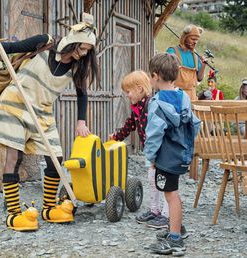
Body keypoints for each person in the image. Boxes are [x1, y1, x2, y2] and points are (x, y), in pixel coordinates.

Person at [0, 21, 98, 231]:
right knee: (14, 155)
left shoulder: (76, 67)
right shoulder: (44, 43)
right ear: (73, 42)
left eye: (87, 51)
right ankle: (13, 214)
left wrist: (81, 121)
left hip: (42, 111)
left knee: (56, 157)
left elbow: (82, 94)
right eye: (82, 48)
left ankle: (48, 208)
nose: (83, 54)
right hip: (17, 102)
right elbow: (10, 49)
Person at [144, 53, 200, 255]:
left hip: (167, 157)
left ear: (155, 76)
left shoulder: (157, 103)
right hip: (182, 154)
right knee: (173, 192)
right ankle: (177, 228)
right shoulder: (183, 97)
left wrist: (151, 157)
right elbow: (195, 124)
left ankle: (175, 238)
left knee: (171, 195)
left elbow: (153, 135)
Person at [109, 70, 169, 229]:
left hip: (162, 150)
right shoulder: (136, 107)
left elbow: (160, 129)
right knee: (152, 178)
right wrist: (117, 136)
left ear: (140, 89)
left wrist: (158, 153)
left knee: (164, 181)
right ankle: (155, 210)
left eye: (128, 92)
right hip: (151, 151)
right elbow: (130, 124)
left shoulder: (152, 105)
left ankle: (166, 214)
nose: (127, 95)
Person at [167, 24, 207, 100]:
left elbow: (199, 78)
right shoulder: (172, 51)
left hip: (191, 97)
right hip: (176, 95)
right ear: (185, 38)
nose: (195, 42)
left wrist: (203, 66)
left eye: (197, 40)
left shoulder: (195, 55)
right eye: (192, 39)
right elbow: (166, 75)